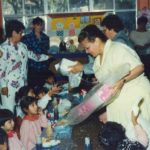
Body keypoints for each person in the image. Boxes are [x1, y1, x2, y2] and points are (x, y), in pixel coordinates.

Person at [77, 24, 150, 143]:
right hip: (119, 101)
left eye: (88, 47)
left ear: (96, 40)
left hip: (135, 98)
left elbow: (139, 67)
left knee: (141, 138)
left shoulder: (117, 48)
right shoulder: (97, 62)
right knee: (127, 141)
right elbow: (107, 86)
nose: (87, 51)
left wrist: (123, 80)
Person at [0, 20, 50, 112]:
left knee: (23, 110)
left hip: (23, 85)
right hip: (9, 87)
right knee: (9, 111)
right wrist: (3, 86)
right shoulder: (3, 49)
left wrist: (47, 57)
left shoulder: (23, 46)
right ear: (14, 33)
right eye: (20, 33)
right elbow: (1, 69)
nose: (22, 35)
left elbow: (33, 56)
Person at [22, 17, 52, 87]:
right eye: (38, 25)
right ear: (33, 25)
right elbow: (26, 53)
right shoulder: (26, 37)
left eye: (41, 25)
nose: (40, 27)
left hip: (44, 67)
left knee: (43, 87)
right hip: (32, 67)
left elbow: (46, 51)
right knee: (33, 88)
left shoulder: (46, 38)